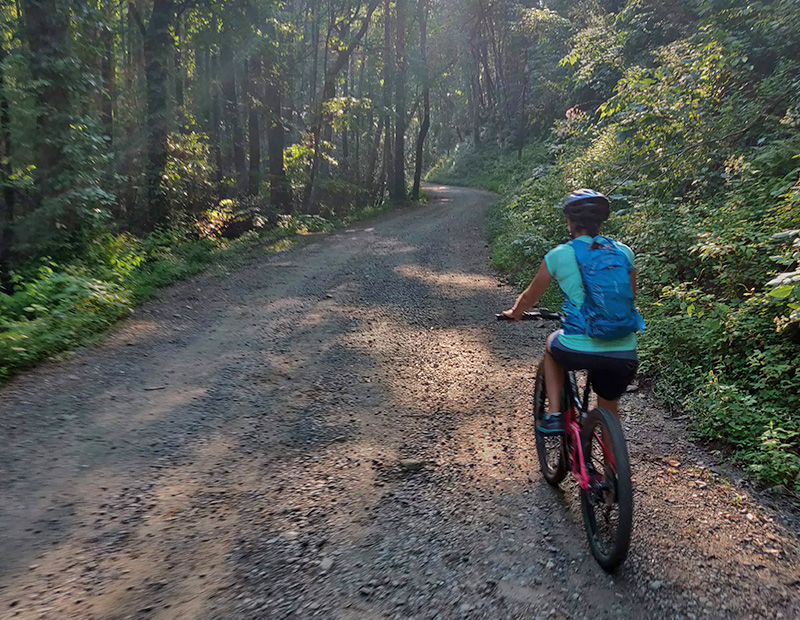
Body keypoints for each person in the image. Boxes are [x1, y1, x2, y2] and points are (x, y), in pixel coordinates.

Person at [502, 189, 641, 434]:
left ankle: (555, 414)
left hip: (577, 346)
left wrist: (515, 312)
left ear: (570, 222)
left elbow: (530, 297)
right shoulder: (623, 252)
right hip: (624, 350)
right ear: (600, 223)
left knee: (551, 346)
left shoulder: (559, 255)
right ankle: (613, 470)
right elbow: (630, 296)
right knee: (609, 407)